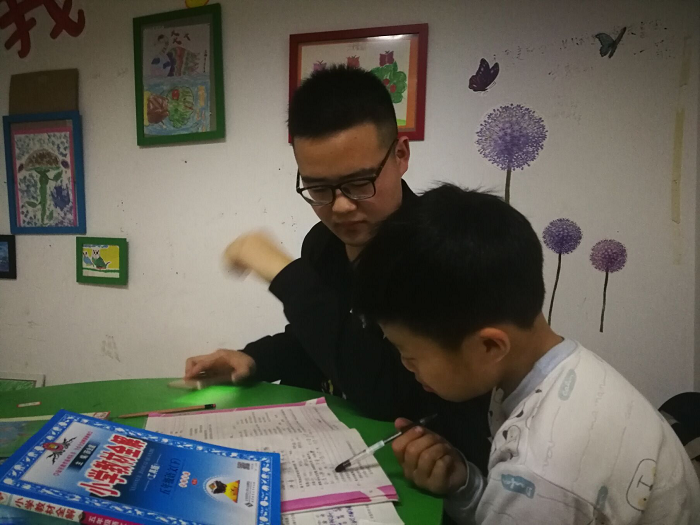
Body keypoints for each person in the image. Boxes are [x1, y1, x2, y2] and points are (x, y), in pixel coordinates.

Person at [183, 66, 492, 472]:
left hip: (423, 470)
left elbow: (387, 393)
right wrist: (253, 359)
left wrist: (284, 274)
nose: (341, 206)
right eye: (319, 188)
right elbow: (320, 343)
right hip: (325, 451)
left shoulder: (441, 251)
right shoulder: (324, 242)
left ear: (400, 155)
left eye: (360, 182)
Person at [352, 183, 700, 524]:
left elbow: (534, 494)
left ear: (490, 346)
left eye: (409, 353)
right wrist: (463, 485)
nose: (406, 365)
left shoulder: (542, 471)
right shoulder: (566, 369)